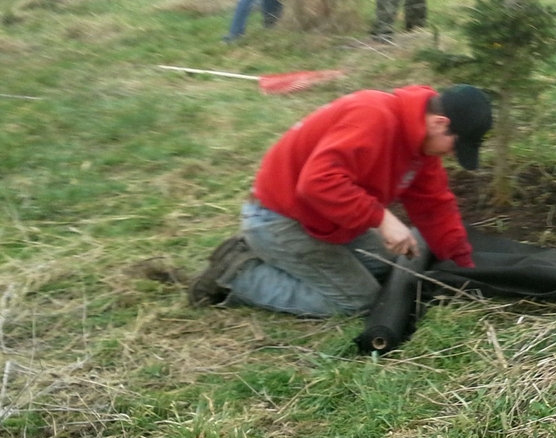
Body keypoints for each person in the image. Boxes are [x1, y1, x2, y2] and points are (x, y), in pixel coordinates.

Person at [189, 84, 492, 317]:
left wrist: (462, 261)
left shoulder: (420, 148)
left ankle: (274, 260)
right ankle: (239, 273)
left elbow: (434, 204)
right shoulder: (372, 117)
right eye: (456, 145)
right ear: (439, 123)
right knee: (357, 301)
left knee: (387, 267)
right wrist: (382, 219)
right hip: (279, 219)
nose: (453, 153)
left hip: (327, 221)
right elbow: (317, 183)